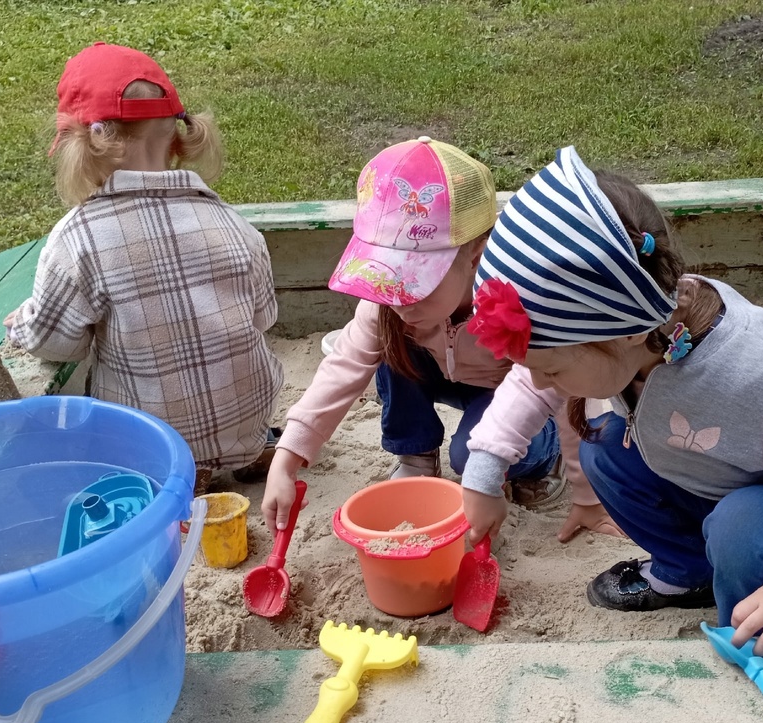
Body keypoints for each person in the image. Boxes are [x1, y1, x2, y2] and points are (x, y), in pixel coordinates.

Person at [460, 147, 763, 665]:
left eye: (554, 369)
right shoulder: (638, 329)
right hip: (718, 470)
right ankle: (689, 571)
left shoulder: (757, 374)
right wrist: (485, 474)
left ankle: (750, 630)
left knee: (741, 527)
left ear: (625, 332)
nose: (540, 380)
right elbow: (532, 381)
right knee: (605, 445)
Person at [262, 137, 617, 538]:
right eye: (383, 276)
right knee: (391, 350)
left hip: (507, 392)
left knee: (471, 455)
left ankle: (541, 458)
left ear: (476, 256)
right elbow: (342, 368)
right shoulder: (389, 307)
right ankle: (416, 454)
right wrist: (286, 460)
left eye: (414, 281)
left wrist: (586, 497)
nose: (397, 297)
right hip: (436, 372)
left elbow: (567, 394)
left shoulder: (517, 304)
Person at [4, 42, 283, 489]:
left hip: (155, 444)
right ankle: (247, 451)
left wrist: (22, 324)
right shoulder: (232, 222)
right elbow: (263, 317)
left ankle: (189, 474)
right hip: (247, 421)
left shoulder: (79, 239)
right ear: (178, 134)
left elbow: (54, 343)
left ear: (86, 145)